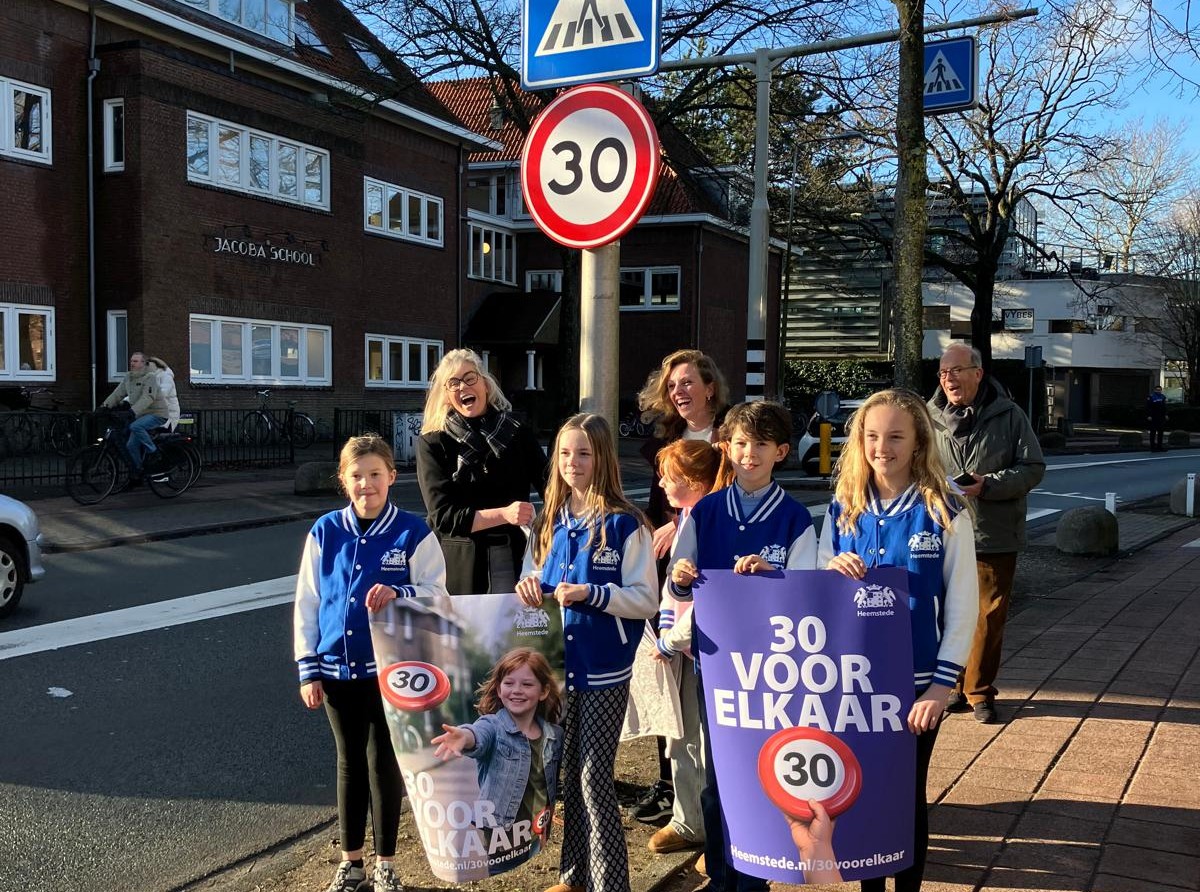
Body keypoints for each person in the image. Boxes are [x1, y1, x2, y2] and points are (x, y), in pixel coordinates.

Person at [821, 388, 978, 892]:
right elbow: (818, 594)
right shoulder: (842, 507)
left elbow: (963, 606)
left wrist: (941, 688)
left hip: (915, 686)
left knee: (906, 796)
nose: (881, 447)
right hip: (854, 685)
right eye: (871, 436)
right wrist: (831, 569)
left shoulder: (944, 508)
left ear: (917, 442)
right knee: (862, 796)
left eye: (895, 436)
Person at [667, 401, 817, 892]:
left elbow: (808, 595)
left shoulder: (795, 519)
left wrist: (773, 578)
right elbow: (677, 583)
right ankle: (721, 869)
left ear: (781, 451)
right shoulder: (706, 512)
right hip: (716, 663)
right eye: (739, 443)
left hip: (774, 670)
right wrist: (683, 578)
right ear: (726, 448)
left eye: (759, 444)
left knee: (765, 773)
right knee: (719, 775)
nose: (748, 453)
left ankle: (759, 872)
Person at [293, 435, 449, 892]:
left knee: (384, 764)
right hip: (336, 671)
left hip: (392, 672)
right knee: (349, 764)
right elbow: (308, 601)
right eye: (357, 476)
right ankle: (351, 862)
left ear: (391, 477)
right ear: (344, 481)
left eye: (375, 475)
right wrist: (309, 666)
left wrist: (401, 593)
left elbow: (438, 596)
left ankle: (386, 864)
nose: (367, 485)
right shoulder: (325, 531)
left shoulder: (413, 532)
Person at [515, 413, 658, 892]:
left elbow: (645, 599)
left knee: (594, 779)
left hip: (604, 670)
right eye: (564, 453)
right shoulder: (547, 523)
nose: (572, 463)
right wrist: (529, 586)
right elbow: (526, 582)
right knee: (565, 774)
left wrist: (592, 594)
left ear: (602, 459)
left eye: (583, 453)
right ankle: (573, 874)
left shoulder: (626, 524)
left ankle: (611, 884)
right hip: (556, 671)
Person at [631, 349, 729, 823]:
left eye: (688, 382)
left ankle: (714, 802)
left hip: (715, 566)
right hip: (674, 570)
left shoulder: (732, 436)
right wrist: (662, 526)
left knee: (705, 689)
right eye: (673, 386)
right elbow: (656, 502)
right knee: (665, 673)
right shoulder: (666, 439)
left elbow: (735, 495)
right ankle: (671, 785)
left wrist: (689, 517)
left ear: (710, 387)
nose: (680, 392)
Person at [928, 344, 1044, 725]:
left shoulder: (1010, 415)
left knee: (988, 617)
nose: (949, 379)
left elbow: (1032, 467)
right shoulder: (928, 418)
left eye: (957, 371)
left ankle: (979, 692)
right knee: (945, 614)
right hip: (941, 531)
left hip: (993, 532)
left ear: (978, 373)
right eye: (944, 372)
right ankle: (952, 687)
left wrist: (988, 485)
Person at [641, 439, 726, 856]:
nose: (661, 483)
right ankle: (690, 818)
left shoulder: (704, 520)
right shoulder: (690, 516)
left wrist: (671, 639)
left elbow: (701, 593)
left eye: (669, 477)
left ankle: (701, 825)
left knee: (696, 739)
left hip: (692, 648)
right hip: (682, 644)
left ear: (693, 481)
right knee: (681, 736)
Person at [417, 349, 549, 595]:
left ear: (486, 384)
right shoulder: (433, 443)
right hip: (456, 565)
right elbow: (442, 516)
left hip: (514, 560)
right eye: (453, 383)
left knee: (511, 633)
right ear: (446, 395)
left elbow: (551, 486)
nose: (462, 387)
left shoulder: (516, 432)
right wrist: (505, 514)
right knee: (467, 635)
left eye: (470, 378)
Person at [431, 648, 563, 834]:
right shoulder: (493, 726)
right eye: (509, 683)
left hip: (534, 831)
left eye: (527, 684)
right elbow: (478, 735)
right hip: (497, 832)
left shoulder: (554, 735)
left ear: (543, 691)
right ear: (499, 690)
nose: (517, 690)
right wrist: (465, 736)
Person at [102, 351, 172, 477]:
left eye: (135, 361)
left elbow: (148, 397)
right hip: (140, 415)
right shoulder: (129, 377)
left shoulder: (150, 377)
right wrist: (104, 407)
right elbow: (117, 394)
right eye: (131, 361)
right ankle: (139, 471)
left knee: (135, 426)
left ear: (143, 363)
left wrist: (132, 411)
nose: (132, 363)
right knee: (131, 446)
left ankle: (154, 452)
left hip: (157, 413)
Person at [145, 356, 181, 432]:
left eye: (150, 366)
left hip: (168, 414)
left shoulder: (166, 376)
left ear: (157, 366)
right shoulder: (150, 377)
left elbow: (164, 392)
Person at [1147, 384, 1167, 452]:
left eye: (1160, 390)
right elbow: (1148, 407)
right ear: (1155, 390)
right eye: (1157, 390)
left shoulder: (1163, 397)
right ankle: (1152, 447)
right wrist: (1149, 415)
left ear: (1161, 390)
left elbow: (1164, 407)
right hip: (1153, 417)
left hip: (1161, 417)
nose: (1158, 391)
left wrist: (1166, 415)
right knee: (1153, 432)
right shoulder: (1151, 397)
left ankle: (1159, 446)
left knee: (1160, 432)